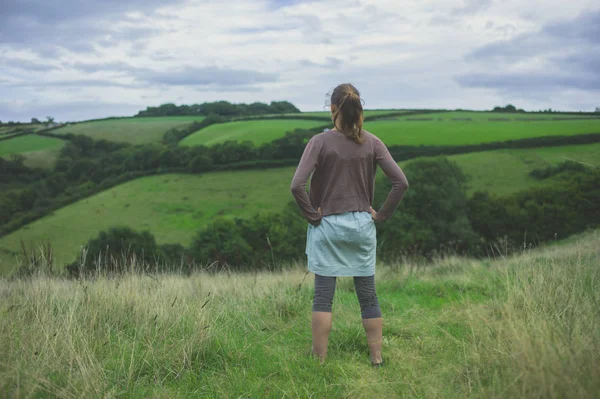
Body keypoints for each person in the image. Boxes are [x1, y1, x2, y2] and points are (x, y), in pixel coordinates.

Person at [290, 83, 409, 366]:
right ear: (360, 111)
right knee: (368, 296)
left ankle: (319, 360)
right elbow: (401, 182)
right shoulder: (372, 142)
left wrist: (312, 215)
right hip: (362, 225)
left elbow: (297, 186)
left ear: (332, 109)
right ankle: (377, 358)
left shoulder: (318, 142)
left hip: (327, 226)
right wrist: (380, 215)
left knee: (323, 297)